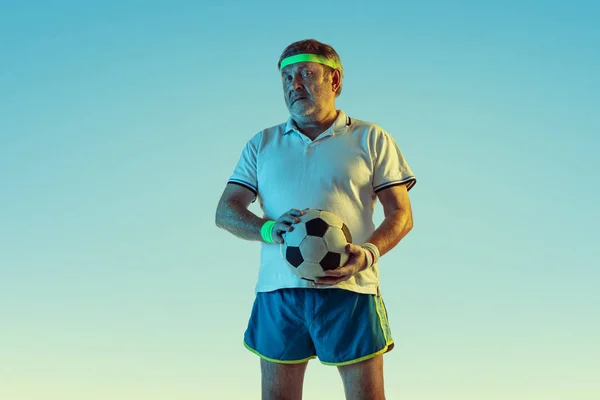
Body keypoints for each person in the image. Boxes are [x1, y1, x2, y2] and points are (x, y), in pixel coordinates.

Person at [215, 39, 416, 400]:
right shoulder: (261, 144)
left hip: (351, 289)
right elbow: (226, 211)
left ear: (335, 81)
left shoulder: (371, 138)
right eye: (287, 77)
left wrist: (367, 254)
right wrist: (269, 228)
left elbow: (401, 214)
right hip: (278, 292)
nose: (295, 85)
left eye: (306, 74)